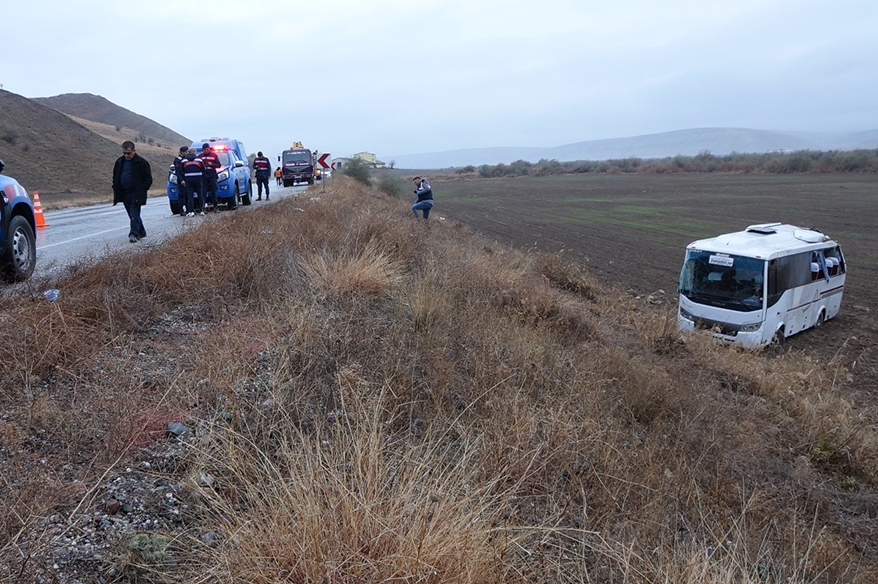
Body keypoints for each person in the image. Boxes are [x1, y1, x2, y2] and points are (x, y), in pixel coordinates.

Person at [112, 141, 152, 242]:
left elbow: (148, 179)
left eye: (129, 153)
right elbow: (115, 175)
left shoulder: (142, 162)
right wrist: (115, 186)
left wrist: (142, 189)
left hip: (136, 192)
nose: (126, 155)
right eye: (124, 153)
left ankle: (133, 234)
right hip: (124, 192)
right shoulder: (119, 162)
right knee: (131, 214)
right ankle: (141, 231)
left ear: (134, 151)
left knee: (134, 214)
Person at [180, 151, 205, 216]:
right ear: (194, 153)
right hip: (198, 179)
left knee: (190, 196)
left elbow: (181, 170)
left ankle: (191, 211)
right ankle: (202, 210)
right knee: (200, 195)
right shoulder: (199, 160)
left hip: (188, 180)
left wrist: (183, 179)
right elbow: (203, 169)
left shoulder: (184, 161)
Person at [200, 143, 221, 210]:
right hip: (204, 175)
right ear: (203, 150)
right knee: (203, 192)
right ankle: (203, 207)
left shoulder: (214, 155)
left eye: (207, 149)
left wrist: (211, 164)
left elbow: (218, 165)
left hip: (212, 174)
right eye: (204, 149)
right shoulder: (200, 156)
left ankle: (215, 206)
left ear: (209, 149)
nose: (206, 151)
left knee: (213, 191)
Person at [173, 146, 190, 216]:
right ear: (182, 152)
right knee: (181, 195)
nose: (187, 153)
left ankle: (188, 209)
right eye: (186, 152)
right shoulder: (178, 160)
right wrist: (181, 180)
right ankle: (181, 210)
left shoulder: (187, 159)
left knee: (187, 195)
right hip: (181, 180)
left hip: (187, 179)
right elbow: (178, 171)